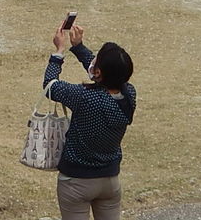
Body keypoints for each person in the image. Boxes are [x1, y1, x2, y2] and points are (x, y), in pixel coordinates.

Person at [42, 18, 136, 220]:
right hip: (110, 181)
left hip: (76, 182)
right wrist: (79, 48)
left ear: (99, 71)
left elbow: (50, 86)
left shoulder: (84, 96)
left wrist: (59, 51)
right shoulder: (129, 95)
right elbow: (103, 74)